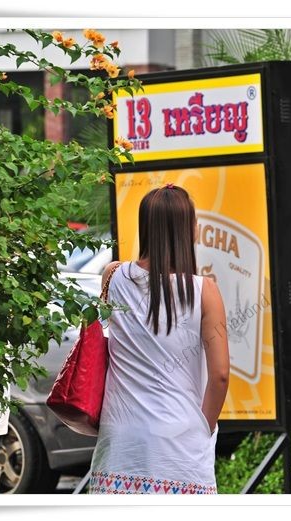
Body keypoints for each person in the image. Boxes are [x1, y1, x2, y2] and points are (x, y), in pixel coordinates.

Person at [88, 184, 230, 495]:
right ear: (186, 229)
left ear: (146, 227)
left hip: (120, 441)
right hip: (180, 445)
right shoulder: (204, 291)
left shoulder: (114, 276)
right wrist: (202, 428)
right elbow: (220, 375)